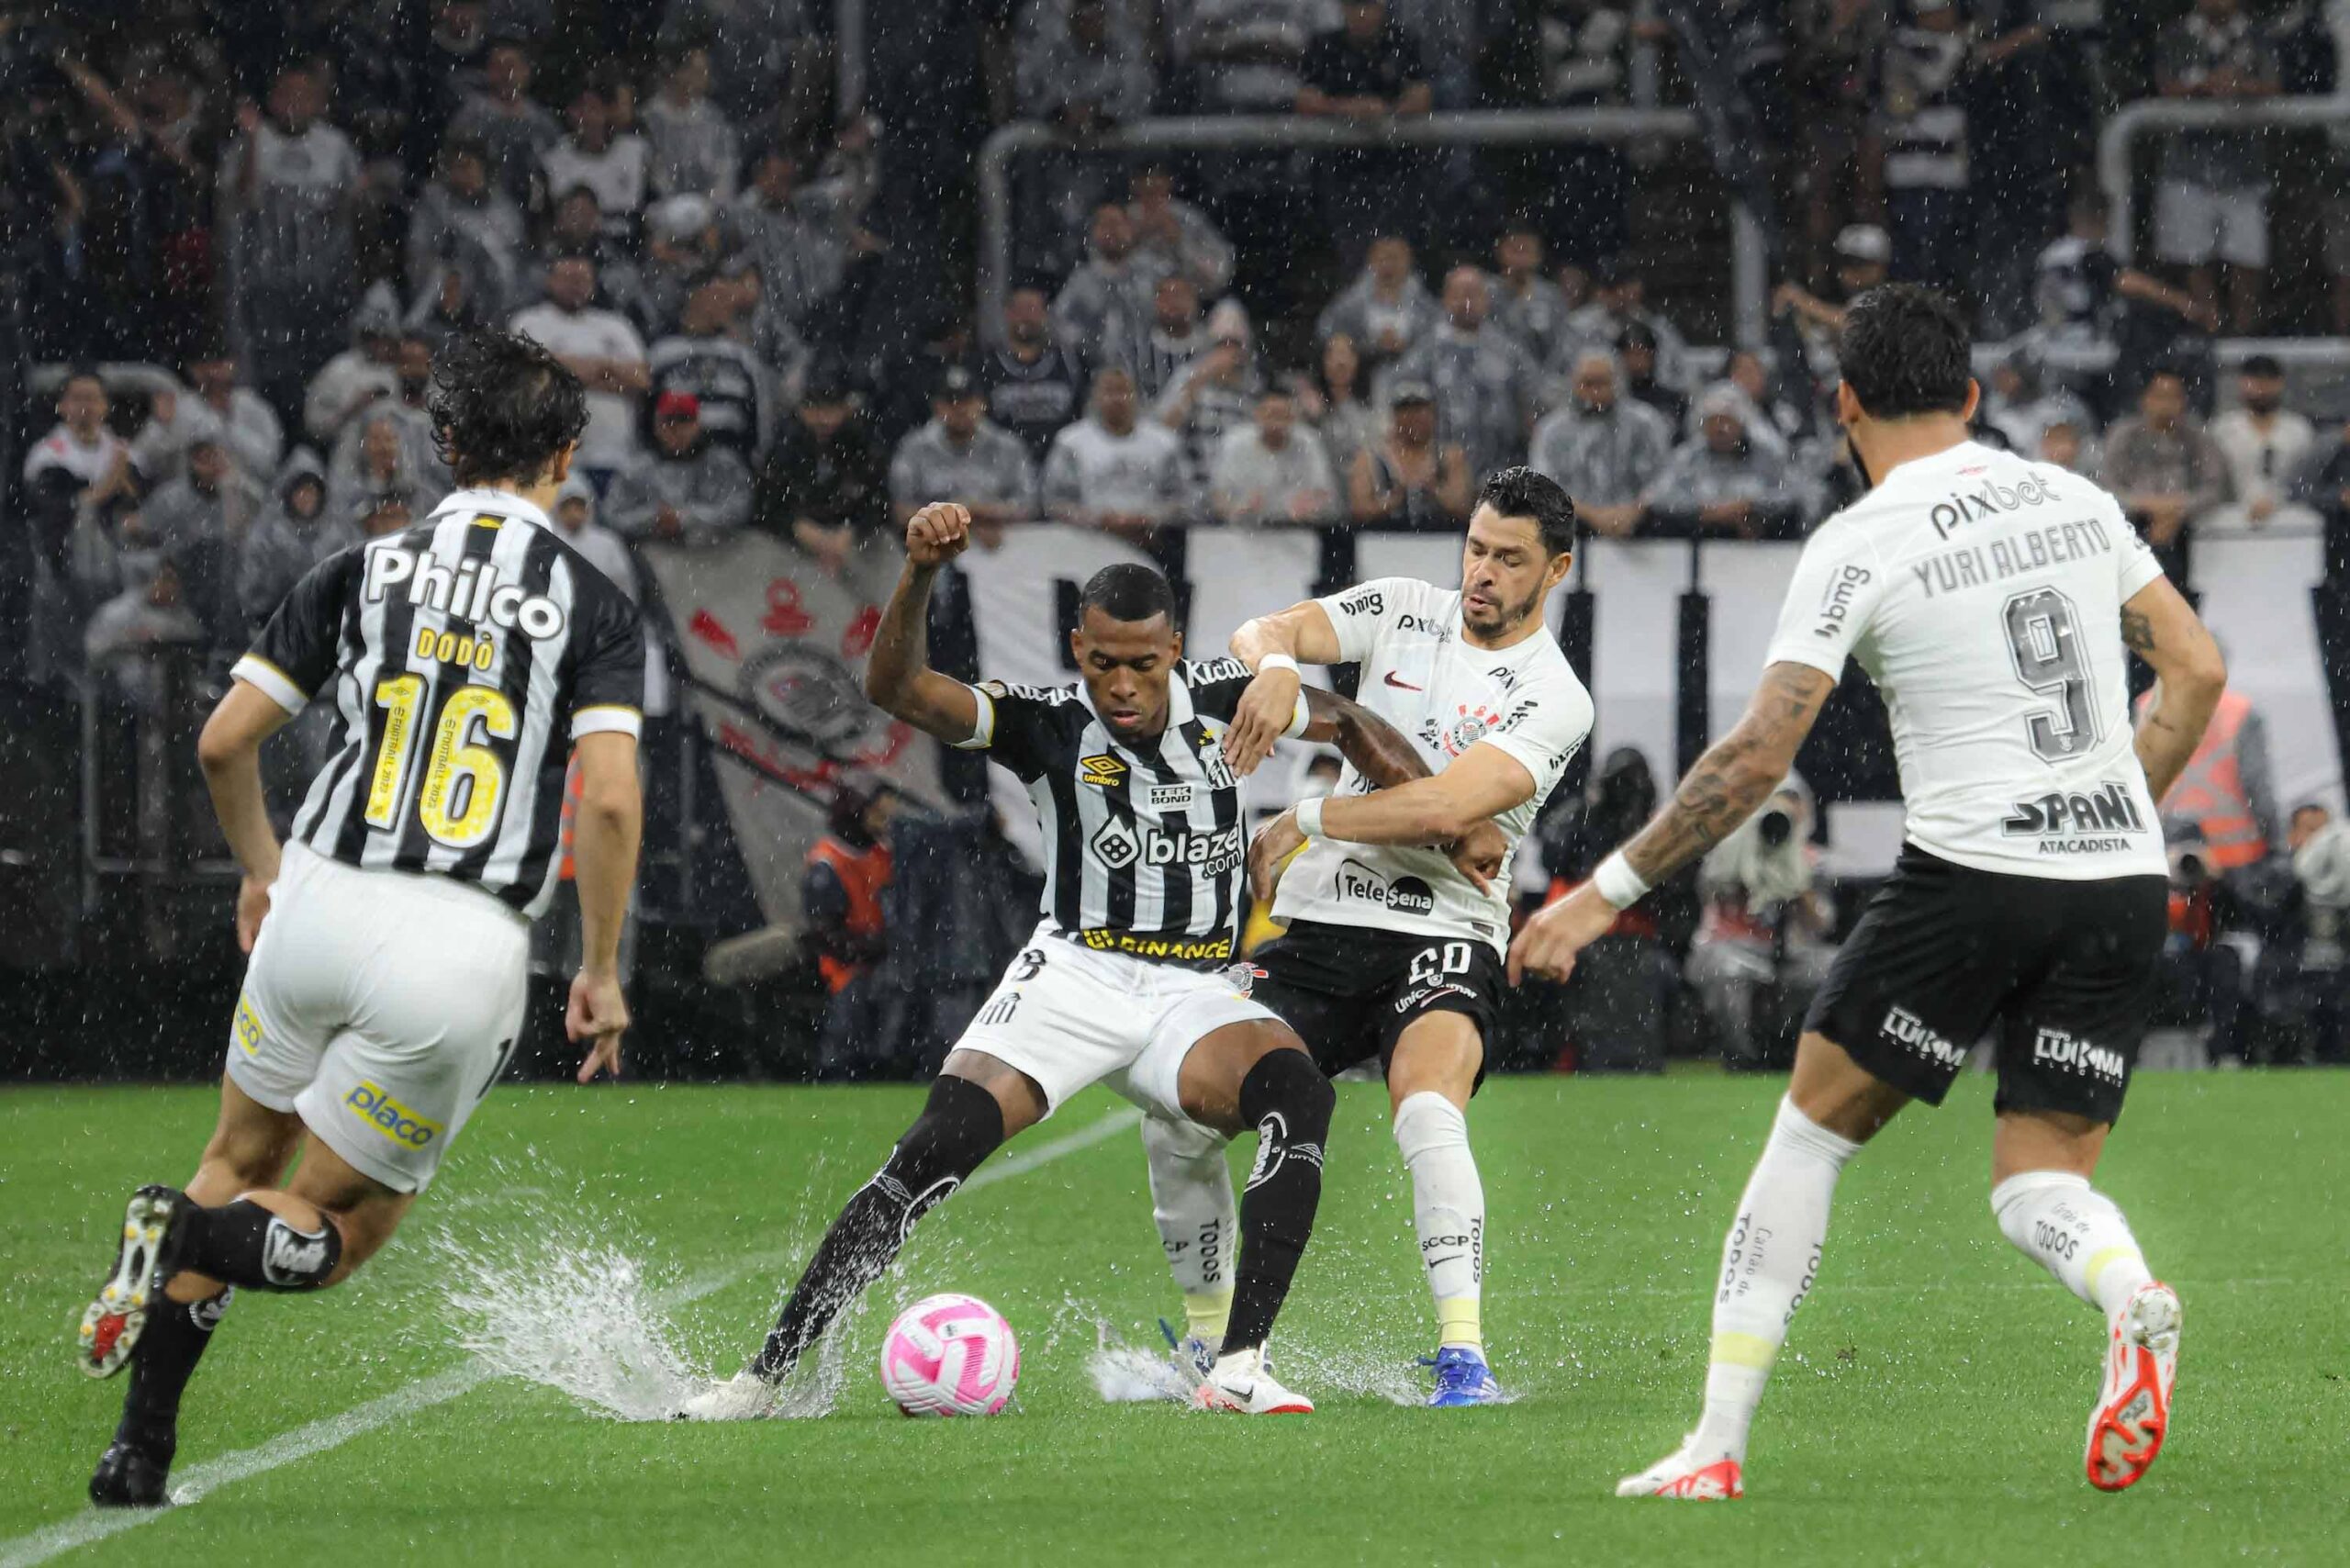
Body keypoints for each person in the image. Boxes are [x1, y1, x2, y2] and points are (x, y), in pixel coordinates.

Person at [1510, 284, 2228, 1499]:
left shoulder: (1860, 537)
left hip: (1973, 877)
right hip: (2116, 875)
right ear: (1976, 396)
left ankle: (1715, 1448)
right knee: (2039, 1181)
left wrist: (1599, 893)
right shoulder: (2076, 495)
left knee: (1809, 1135)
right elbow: (2198, 673)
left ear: (1844, 404)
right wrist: (2111, 813)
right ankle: (2130, 1293)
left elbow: (1755, 756)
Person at [680, 502, 1469, 1420]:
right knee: (934, 1146)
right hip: (1076, 973)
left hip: (1193, 992)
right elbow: (896, 688)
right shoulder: (1045, 724)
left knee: (1300, 1093)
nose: (1123, 685)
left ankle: (1240, 1365)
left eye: (1143, 662)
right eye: (1102, 664)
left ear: (1175, 646)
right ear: (1075, 648)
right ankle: (760, 1380)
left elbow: (1347, 720)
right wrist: (920, 574)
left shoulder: (1231, 697)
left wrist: (1450, 813)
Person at [74, 329, 645, 1507]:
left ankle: (140, 1451)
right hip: (457, 943)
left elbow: (224, 739)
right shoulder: (590, 600)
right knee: (347, 1223)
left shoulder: (361, 567)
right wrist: (600, 965)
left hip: (319, 900)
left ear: (444, 446)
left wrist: (261, 871)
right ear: (567, 452)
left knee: (238, 1158)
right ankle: (189, 1236)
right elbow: (613, 802)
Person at [1158, 468, 1591, 1406]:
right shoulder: (1399, 608)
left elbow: (1444, 807)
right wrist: (1275, 667)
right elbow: (1263, 632)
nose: (1481, 572)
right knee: (1181, 1102)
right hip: (1319, 925)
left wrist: (1304, 815)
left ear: (1554, 571)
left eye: (1509, 559)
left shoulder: (1556, 696)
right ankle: (1206, 1339)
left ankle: (1463, 1353)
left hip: (1443, 928)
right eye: (1475, 547)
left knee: (1427, 1105)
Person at [2152, 0, 2279, 334]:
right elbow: (2165, 86)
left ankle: (2243, 335)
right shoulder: (2177, 35)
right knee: (2192, 258)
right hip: (2187, 166)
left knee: (2248, 259)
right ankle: (2210, 331)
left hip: (2244, 170)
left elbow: (2274, 84)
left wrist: (2242, 86)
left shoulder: (2257, 34)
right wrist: (2204, 85)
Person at [1382, 267, 1540, 487]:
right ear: (1446, 299)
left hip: (1501, 471)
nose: (1467, 301)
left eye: (1474, 293)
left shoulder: (1509, 351)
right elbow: (1401, 403)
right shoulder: (1425, 351)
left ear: (1486, 299)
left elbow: (1533, 401)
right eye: (1460, 293)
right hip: (1443, 473)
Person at [509, 255, 653, 488]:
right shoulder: (529, 321)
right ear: (551, 281)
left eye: (583, 279)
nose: (576, 285)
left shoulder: (615, 325)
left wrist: (564, 369)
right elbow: (527, 373)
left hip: (610, 453)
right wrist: (607, 369)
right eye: (568, 278)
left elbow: (641, 380)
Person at [750, 363, 890, 570]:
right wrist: (799, 528)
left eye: (830, 408)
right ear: (800, 409)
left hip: (853, 551)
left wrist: (852, 531)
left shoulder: (861, 445)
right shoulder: (784, 447)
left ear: (845, 409)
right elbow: (765, 504)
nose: (823, 419)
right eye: (814, 409)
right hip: (790, 555)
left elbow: (879, 502)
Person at [1528, 350, 1674, 538]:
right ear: (1573, 384)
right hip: (1572, 530)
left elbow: (1665, 478)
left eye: (1601, 383)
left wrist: (1633, 511)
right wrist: (1593, 516)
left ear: (1617, 383)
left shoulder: (1646, 422)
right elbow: (1544, 486)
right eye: (1587, 383)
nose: (1594, 392)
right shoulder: (1552, 430)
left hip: (1640, 530)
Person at [2101, 369, 2227, 578]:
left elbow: (2214, 488)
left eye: (2173, 397)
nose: (2166, 404)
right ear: (2145, 399)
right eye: (2159, 396)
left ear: (2184, 400)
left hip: (2188, 528)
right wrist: (2148, 505)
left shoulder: (2198, 437)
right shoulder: (2123, 436)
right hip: (2132, 524)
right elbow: (2107, 486)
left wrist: (2178, 508)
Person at [1041, 366, 1192, 539]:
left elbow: (1183, 499)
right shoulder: (1071, 442)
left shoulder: (1164, 442)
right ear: (1095, 396)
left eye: (1123, 391)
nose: (1117, 399)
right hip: (1087, 539)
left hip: (1151, 540)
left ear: (1137, 395)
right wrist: (1095, 519)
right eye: (1109, 391)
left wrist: (1148, 518)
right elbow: (1054, 500)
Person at [888, 364, 1036, 532]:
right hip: (935, 545)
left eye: (967, 401)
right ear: (936, 407)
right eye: (950, 402)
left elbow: (1029, 505)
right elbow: (901, 511)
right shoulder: (914, 447)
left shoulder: (1008, 446)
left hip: (1002, 546)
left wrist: (989, 513)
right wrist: (959, 517)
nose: (959, 409)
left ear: (982, 404)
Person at [605, 391, 755, 544]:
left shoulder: (725, 464)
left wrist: (686, 517)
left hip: (717, 554)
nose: (676, 428)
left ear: (698, 423)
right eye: (668, 420)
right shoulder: (635, 469)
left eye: (684, 420)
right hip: (655, 555)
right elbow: (612, 518)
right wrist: (653, 517)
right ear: (656, 425)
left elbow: (740, 508)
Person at [2206, 354, 2316, 534]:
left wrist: (2276, 502)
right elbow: (2214, 481)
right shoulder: (2222, 429)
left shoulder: (2300, 430)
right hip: (2230, 522)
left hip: (2292, 522)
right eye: (2255, 382)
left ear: (2280, 384)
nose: (2261, 389)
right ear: (2242, 383)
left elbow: (2307, 480)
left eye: (2268, 382)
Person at [1209, 386, 1338, 527]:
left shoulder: (1309, 442)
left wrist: (1311, 504)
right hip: (1243, 531)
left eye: (1282, 416)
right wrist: (1235, 510)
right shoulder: (1234, 442)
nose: (1276, 424)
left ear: (1294, 417)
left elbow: (1325, 494)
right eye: (1270, 415)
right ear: (1257, 414)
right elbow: (1217, 496)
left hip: (1298, 532)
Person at [985, 283, 1088, 460]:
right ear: (1007, 313)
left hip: (1059, 461)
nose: (1026, 316)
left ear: (1045, 314)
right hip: (1003, 463)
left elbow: (1083, 416)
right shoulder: (987, 363)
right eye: (1019, 309)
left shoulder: (1071, 361)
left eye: (1032, 309)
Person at [1348, 383, 1471, 527]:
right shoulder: (1370, 458)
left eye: (1421, 411)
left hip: (1442, 542)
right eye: (1407, 412)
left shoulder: (1450, 456)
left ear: (1433, 415)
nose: (1415, 418)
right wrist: (1393, 501)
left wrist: (1434, 490)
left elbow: (1464, 506)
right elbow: (1358, 509)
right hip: (1382, 543)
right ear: (1395, 416)